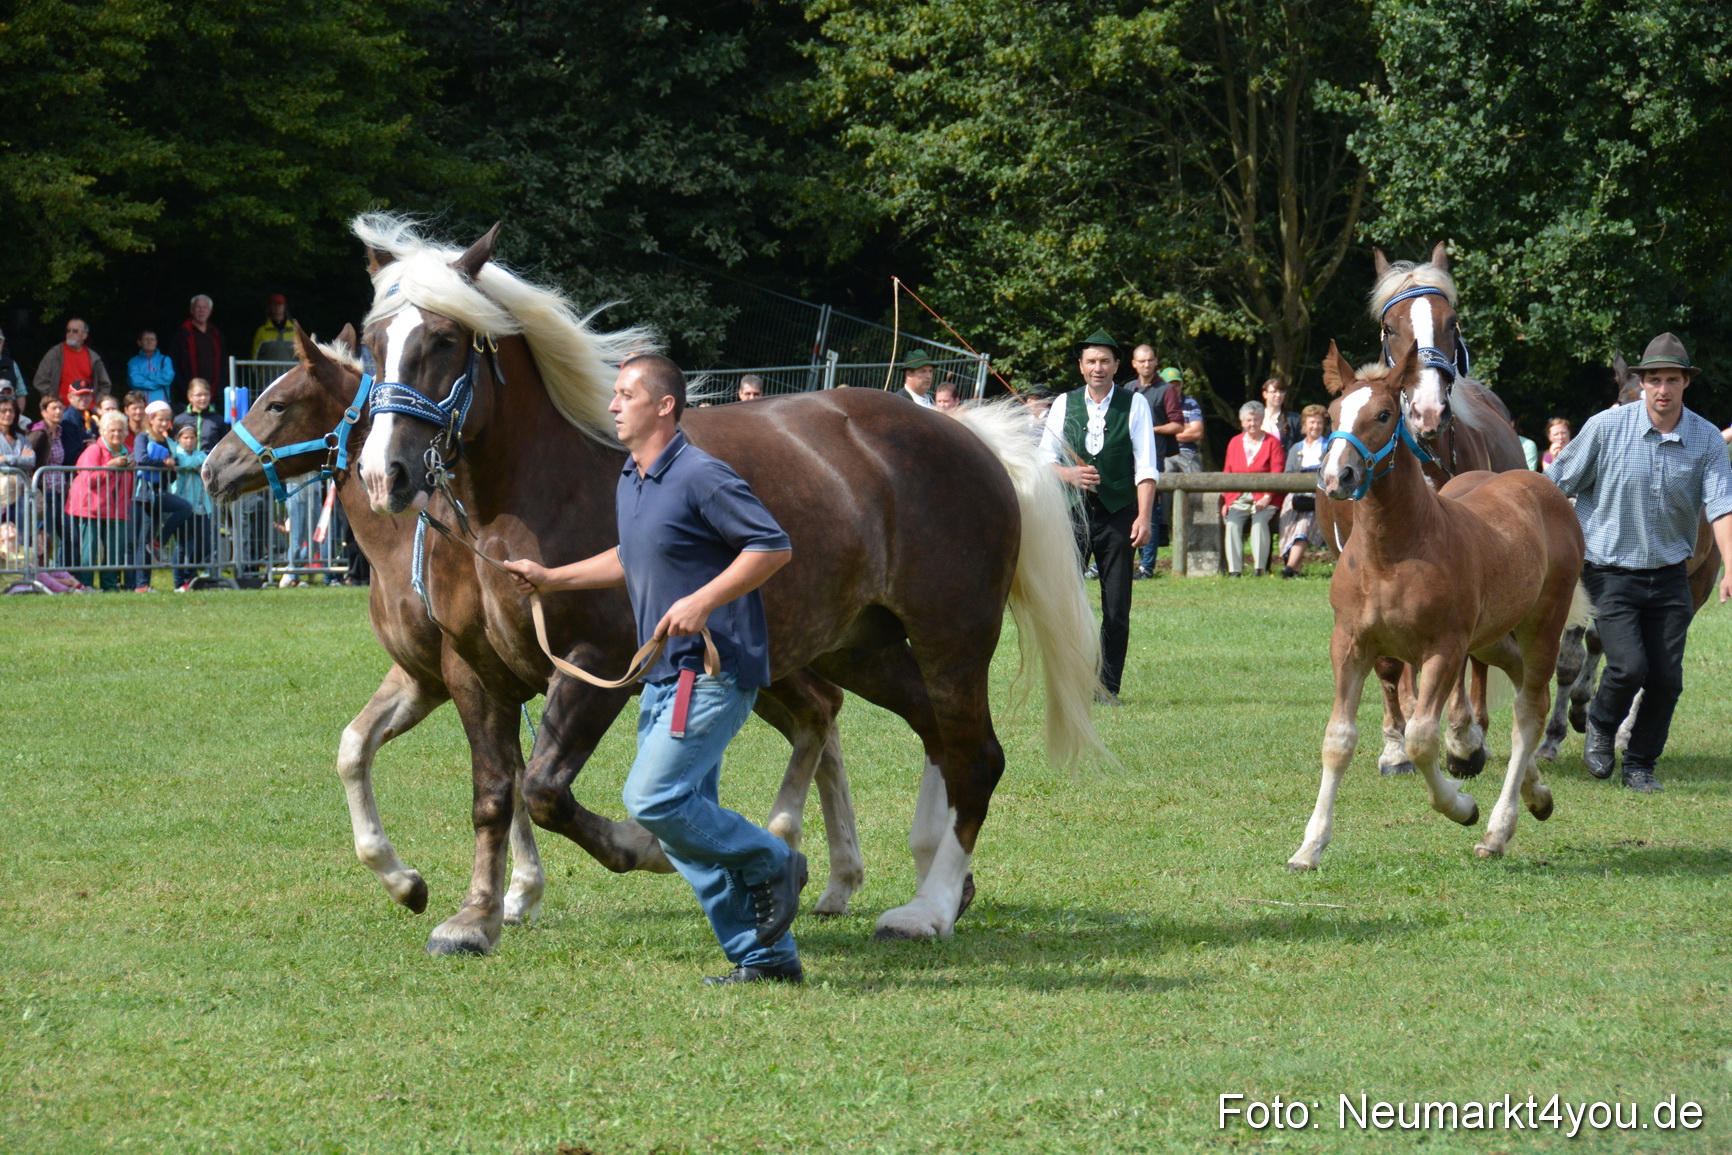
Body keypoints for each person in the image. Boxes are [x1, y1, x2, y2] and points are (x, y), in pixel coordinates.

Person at [503, 354, 806, 986]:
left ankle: (773, 860)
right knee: (689, 829)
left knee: (654, 799)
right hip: (664, 673)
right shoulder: (632, 477)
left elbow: (771, 545)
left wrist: (703, 600)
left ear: (664, 405)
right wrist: (553, 579)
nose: (613, 404)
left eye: (626, 394)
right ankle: (766, 958)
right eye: (614, 394)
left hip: (710, 671)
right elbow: (630, 552)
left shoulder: (701, 475)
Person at [1546, 332, 1732, 792]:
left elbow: (1723, 505)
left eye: (1672, 379)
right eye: (1655, 380)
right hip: (1609, 571)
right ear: (1641, 383)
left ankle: (1641, 764)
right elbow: (1555, 485)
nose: (1663, 389)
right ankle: (1602, 727)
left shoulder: (1706, 439)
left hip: (1670, 573)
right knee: (1628, 666)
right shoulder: (1605, 430)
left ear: (1686, 383)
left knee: (1667, 679)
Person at [1039, 329, 1157, 705]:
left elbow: (1146, 466)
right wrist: (1069, 474)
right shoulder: (1062, 404)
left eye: (1105, 361)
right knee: (1066, 604)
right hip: (1070, 515)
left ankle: (1107, 688)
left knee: (1117, 608)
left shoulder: (1135, 405)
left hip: (1118, 515)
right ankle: (1070, 683)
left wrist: (1143, 516)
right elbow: (1042, 463)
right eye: (1091, 361)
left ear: (1117, 366)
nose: (1098, 367)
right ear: (1081, 366)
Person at [66, 410, 135, 591]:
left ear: (126, 432)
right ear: (103, 431)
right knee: (89, 551)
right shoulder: (93, 450)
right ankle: (86, 585)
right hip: (91, 508)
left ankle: (110, 586)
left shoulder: (129, 453)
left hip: (117, 508)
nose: (116, 434)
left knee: (114, 551)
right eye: (111, 430)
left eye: (120, 430)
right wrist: (110, 466)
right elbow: (89, 480)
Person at [130, 401, 192, 591]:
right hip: (145, 494)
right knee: (184, 507)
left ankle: (143, 582)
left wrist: (171, 466)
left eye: (167, 419)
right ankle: (142, 584)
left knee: (146, 542)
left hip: (159, 492)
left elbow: (172, 471)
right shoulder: (143, 437)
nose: (165, 423)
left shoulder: (168, 441)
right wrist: (165, 464)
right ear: (151, 420)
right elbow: (142, 459)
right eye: (161, 419)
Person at [1221, 399, 1286, 576]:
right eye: (1249, 420)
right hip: (1238, 495)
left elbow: (1277, 471)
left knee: (1259, 521)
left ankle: (1259, 568)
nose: (1252, 423)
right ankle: (1235, 570)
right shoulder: (1234, 442)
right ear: (1242, 422)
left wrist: (1267, 496)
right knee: (1232, 523)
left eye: (1256, 419)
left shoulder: (1272, 442)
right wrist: (1227, 501)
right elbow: (1227, 473)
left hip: (1266, 496)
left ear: (1262, 421)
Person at [1277, 404, 1328, 578]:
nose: (1315, 426)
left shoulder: (1329, 447)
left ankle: (1289, 568)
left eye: (1319, 423)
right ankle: (1294, 570)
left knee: (1304, 526)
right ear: (1305, 425)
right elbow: (1288, 475)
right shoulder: (1296, 449)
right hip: (1295, 495)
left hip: (1318, 496)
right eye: (1312, 422)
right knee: (1288, 524)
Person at [32, 318, 114, 406]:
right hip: (61, 412)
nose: (70, 334)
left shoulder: (93, 357)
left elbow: (105, 384)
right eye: (68, 331)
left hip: (88, 411)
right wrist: (53, 401)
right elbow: (40, 381)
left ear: (84, 335)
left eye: (75, 331)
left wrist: (96, 404)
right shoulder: (55, 354)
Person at [171, 422, 213, 590]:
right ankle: (178, 581)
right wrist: (192, 465)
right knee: (182, 545)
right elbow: (185, 462)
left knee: (203, 544)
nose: (189, 441)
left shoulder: (201, 454)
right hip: (182, 506)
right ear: (178, 439)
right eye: (185, 437)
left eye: (192, 437)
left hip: (201, 506)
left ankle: (190, 574)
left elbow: (204, 463)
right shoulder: (176, 453)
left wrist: (195, 465)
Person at [169, 294, 228, 404]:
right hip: (186, 394)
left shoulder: (216, 334)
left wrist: (220, 388)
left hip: (212, 393)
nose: (201, 311)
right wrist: (182, 387)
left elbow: (223, 363)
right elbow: (174, 362)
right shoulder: (182, 334)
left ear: (210, 311)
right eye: (198, 307)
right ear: (192, 310)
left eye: (204, 307)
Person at [0, 395, 33, 527]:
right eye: (3, 410)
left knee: (19, 533)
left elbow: (31, 461)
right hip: (1, 491)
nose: (8, 414)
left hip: (20, 491)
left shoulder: (21, 436)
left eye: (11, 410)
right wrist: (20, 458)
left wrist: (6, 458)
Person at [174, 378, 228, 451]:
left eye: (206, 394)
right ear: (190, 397)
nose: (203, 398)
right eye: (199, 395)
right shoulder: (179, 420)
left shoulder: (218, 420)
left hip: (210, 461)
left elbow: (224, 446)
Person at [127, 331, 175, 404]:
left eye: (152, 339)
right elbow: (135, 381)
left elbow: (167, 379)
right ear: (139, 343)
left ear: (156, 342)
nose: (149, 342)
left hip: (160, 402)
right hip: (139, 403)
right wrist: (155, 383)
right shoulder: (133, 361)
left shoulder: (165, 359)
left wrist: (146, 375)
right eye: (146, 339)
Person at [1259, 377, 1303, 451]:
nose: (1278, 395)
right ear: (1265, 394)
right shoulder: (1255, 418)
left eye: (1281, 391)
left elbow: (1301, 447)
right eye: (1274, 391)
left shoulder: (1295, 420)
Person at [251, 294, 298, 359]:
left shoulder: (295, 330)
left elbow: (302, 356)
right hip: (268, 369)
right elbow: (255, 356)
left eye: (280, 304)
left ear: (284, 307)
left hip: (291, 369)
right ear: (269, 307)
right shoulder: (261, 331)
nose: (277, 307)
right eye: (274, 304)